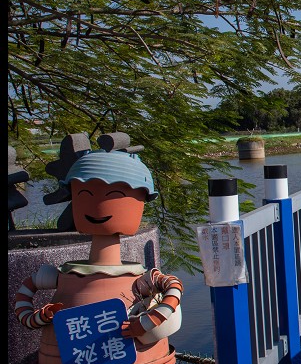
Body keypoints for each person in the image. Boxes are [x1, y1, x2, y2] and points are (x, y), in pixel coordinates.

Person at [14, 143, 182, 347]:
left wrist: (148, 322)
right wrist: (37, 318)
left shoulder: (143, 279)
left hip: (131, 363)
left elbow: (174, 287)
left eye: (114, 197)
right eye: (84, 195)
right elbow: (24, 295)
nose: (98, 206)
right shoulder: (64, 277)